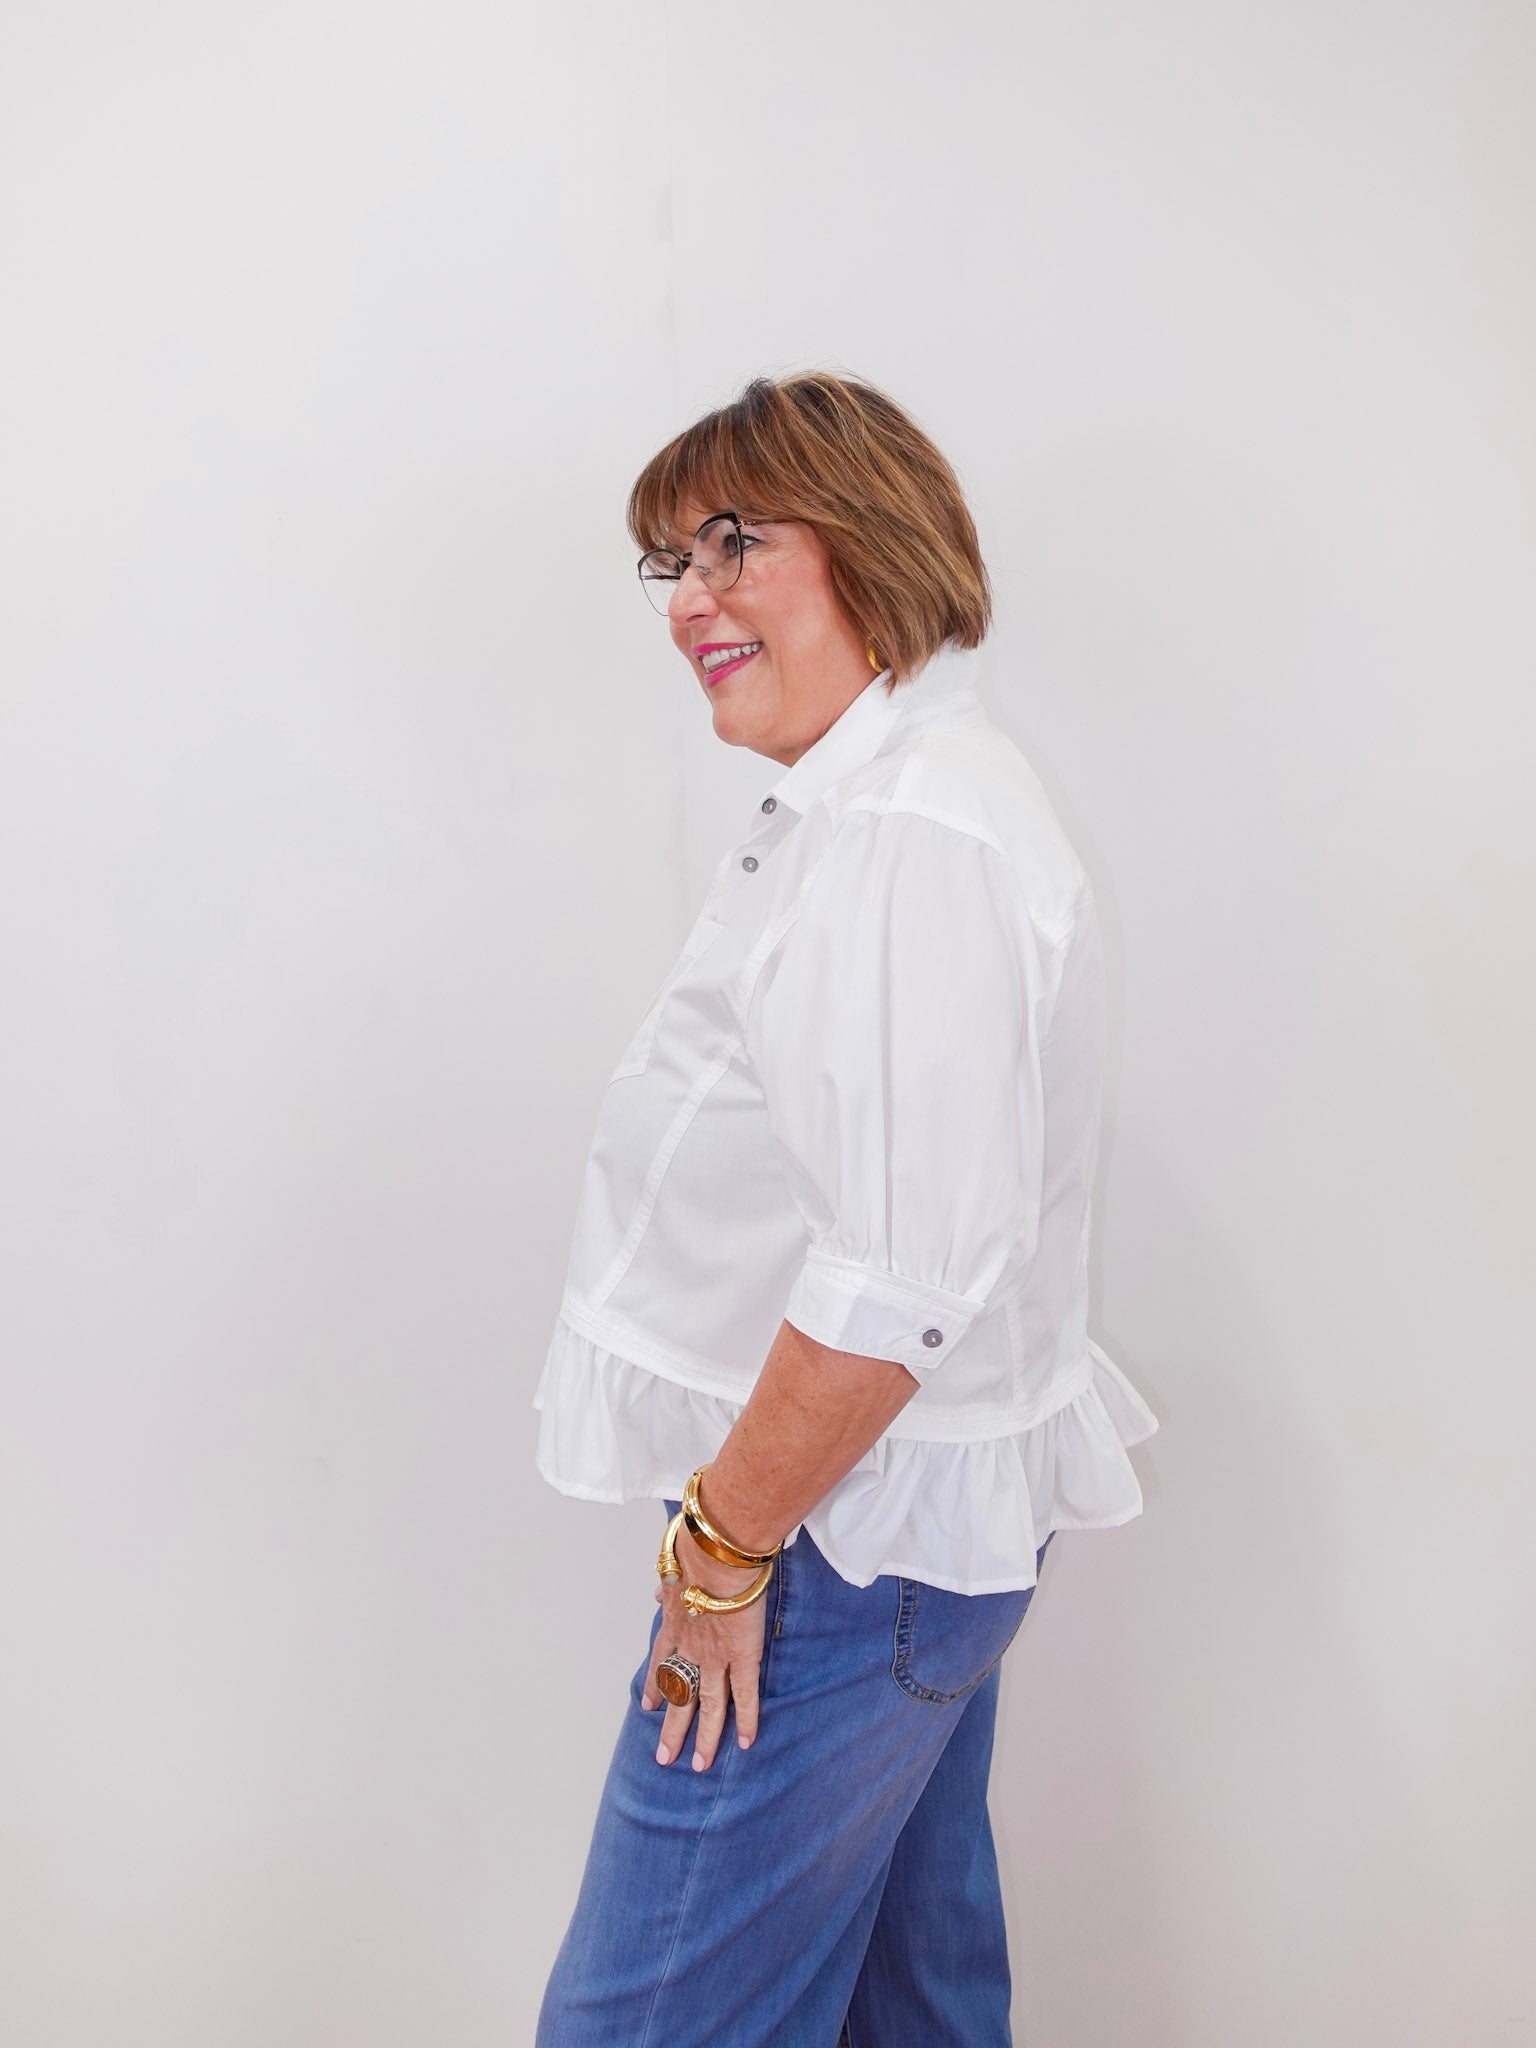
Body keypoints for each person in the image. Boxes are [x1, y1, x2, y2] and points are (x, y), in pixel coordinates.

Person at [532, 370, 1159, 2046]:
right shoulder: (886, 804)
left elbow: (899, 1272)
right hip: (892, 1539)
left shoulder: (910, 834)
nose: (691, 602)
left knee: (642, 2024)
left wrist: (725, 1552)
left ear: (872, 539)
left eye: (734, 541)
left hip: (834, 1545)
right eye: (671, 563)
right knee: (913, 2006)